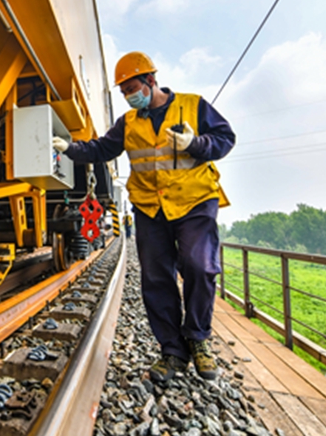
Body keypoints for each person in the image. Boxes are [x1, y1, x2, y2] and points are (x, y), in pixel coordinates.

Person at [52, 51, 235, 381]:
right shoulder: (128, 122)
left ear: (151, 80)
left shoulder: (194, 105)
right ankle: (172, 352)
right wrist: (70, 148)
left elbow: (225, 139)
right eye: (123, 91)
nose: (128, 96)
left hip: (194, 201)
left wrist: (196, 143)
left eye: (131, 88)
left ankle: (198, 340)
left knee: (198, 265)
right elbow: (101, 149)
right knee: (155, 279)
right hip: (150, 207)